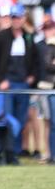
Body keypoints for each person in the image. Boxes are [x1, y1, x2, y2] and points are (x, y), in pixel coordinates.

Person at [0, 3, 40, 162]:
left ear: (24, 19)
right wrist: (0, 80)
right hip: (7, 85)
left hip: (23, 85)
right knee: (8, 119)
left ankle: (14, 152)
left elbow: (36, 61)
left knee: (21, 120)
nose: (16, 20)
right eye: (14, 17)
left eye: (19, 17)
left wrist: (32, 77)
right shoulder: (1, 37)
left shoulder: (29, 38)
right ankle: (5, 152)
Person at [40, 20, 55, 164]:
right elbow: (48, 65)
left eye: (50, 28)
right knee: (50, 122)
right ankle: (50, 153)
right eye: (46, 29)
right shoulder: (44, 46)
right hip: (48, 88)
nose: (48, 31)